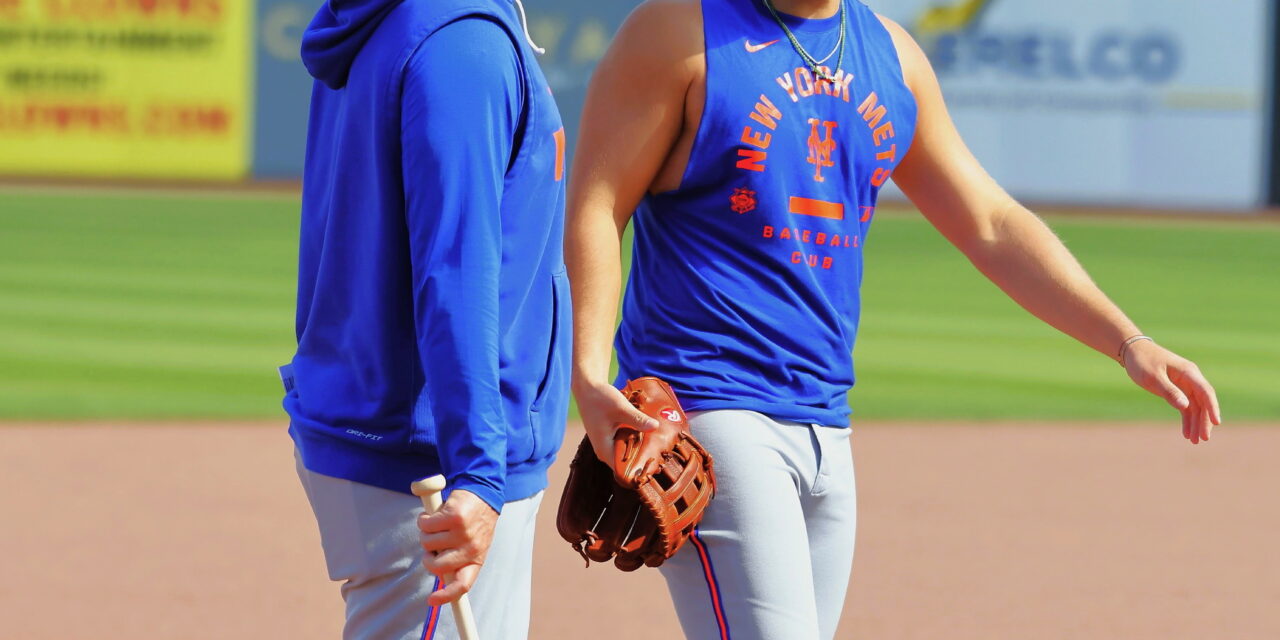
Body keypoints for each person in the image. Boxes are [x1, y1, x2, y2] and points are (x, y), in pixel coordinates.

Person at [565, 0, 1222, 639]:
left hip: (827, 425)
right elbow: (598, 203)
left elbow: (990, 223)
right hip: (710, 412)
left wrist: (1127, 340)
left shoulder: (892, 55)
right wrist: (590, 375)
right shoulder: (681, 31)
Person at [281, 0, 569, 637]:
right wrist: (479, 473)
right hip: (435, 469)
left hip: (401, 438)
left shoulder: (405, 21)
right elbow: (454, 277)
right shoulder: (460, 43)